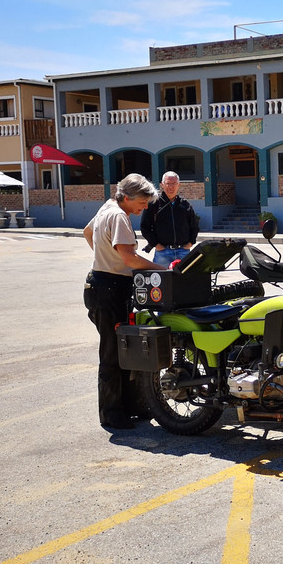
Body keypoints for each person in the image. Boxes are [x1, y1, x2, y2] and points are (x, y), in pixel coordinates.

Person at [83, 174, 170, 430]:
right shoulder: (119, 216)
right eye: (142, 202)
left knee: (119, 349)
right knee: (112, 353)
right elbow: (131, 259)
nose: (144, 207)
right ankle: (112, 413)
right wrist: (162, 269)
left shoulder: (106, 209)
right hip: (110, 287)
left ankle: (127, 406)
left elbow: (87, 233)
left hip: (100, 283)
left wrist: (104, 257)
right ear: (129, 197)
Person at [140, 171, 200, 266]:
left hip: (183, 252)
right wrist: (156, 244)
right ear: (162, 184)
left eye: (174, 184)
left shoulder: (185, 205)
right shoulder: (154, 204)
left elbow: (194, 226)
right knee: (162, 280)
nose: (171, 187)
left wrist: (191, 242)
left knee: (186, 280)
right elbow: (145, 227)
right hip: (163, 253)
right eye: (168, 183)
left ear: (179, 185)